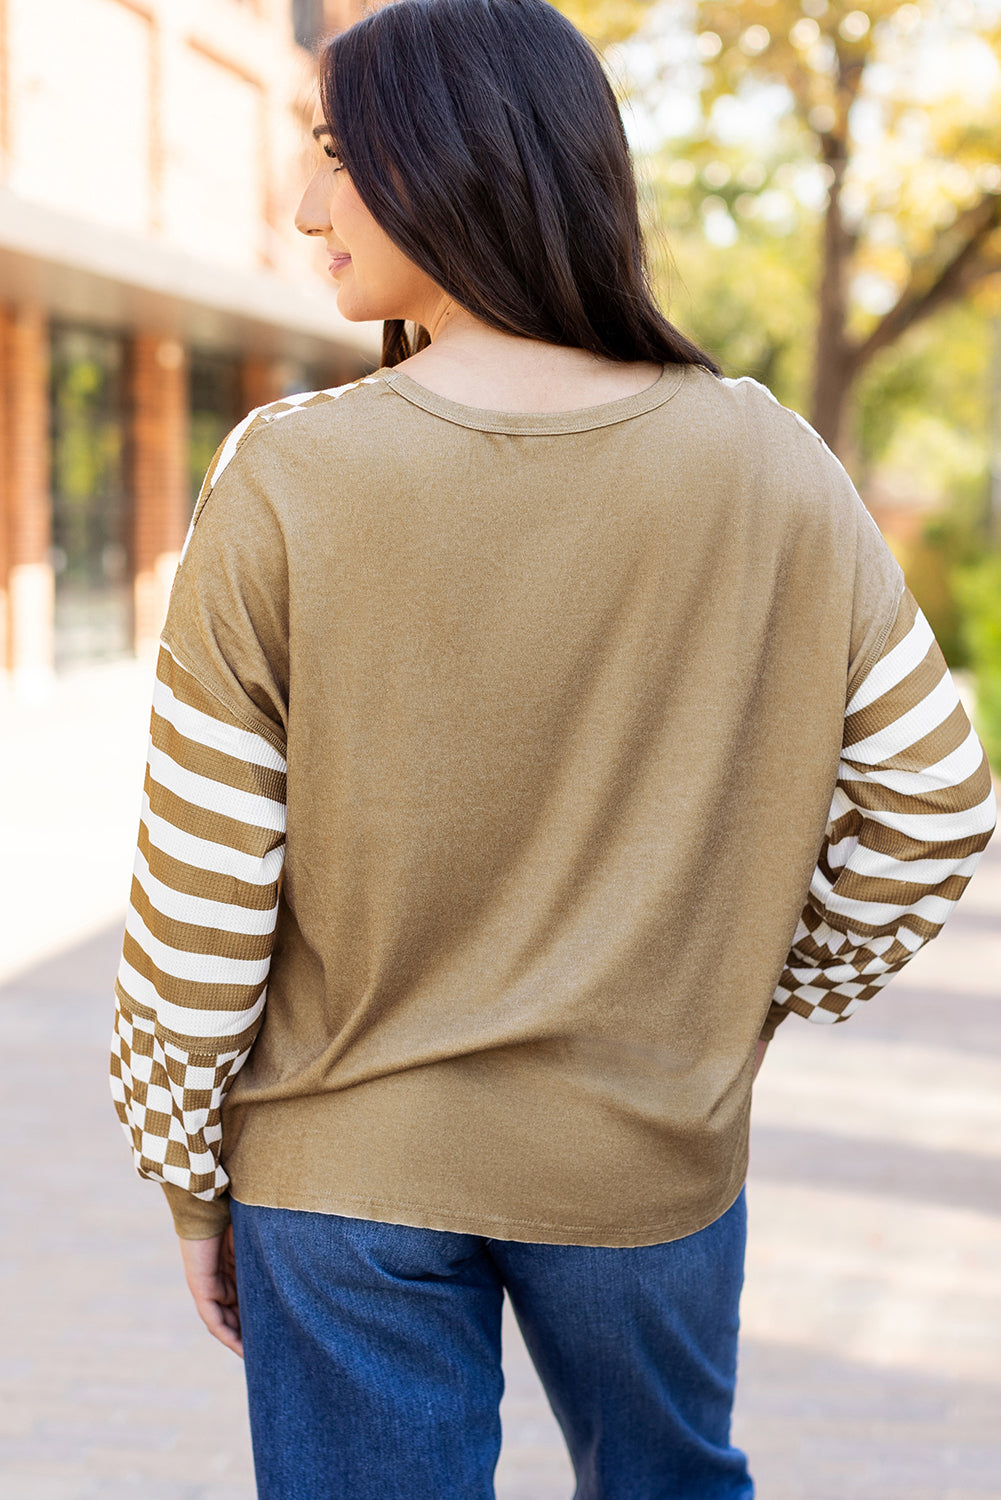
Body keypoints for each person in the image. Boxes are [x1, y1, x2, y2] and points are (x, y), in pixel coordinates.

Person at [109, 1, 996, 1495]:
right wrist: (736, 1002)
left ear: (457, 160)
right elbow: (934, 802)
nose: (304, 205)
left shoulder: (284, 477)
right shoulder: (766, 458)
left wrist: (189, 1177)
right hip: (644, 1148)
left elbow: (202, 900)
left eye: (335, 154)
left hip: (340, 1175)